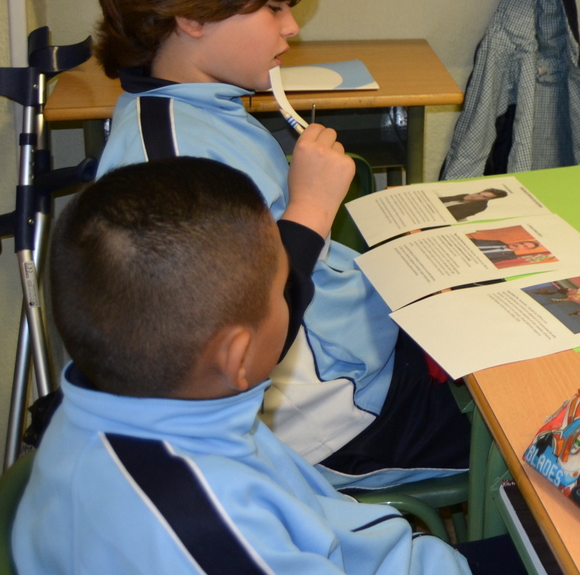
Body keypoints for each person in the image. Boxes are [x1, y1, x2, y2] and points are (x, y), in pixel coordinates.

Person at [92, 0, 469, 488]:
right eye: (272, 8)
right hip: (339, 424)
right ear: (192, 16)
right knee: (520, 428)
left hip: (361, 353)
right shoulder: (167, 166)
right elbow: (231, 349)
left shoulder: (198, 106)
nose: (291, 28)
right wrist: (312, 207)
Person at [13, 158, 522, 575]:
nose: (295, 298)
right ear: (238, 357)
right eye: (284, 290)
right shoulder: (210, 528)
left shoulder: (134, 407)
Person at [440, 186, 509, 221]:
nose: (474, 196)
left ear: (487, 200)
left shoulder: (480, 207)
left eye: (483, 197)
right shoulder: (465, 195)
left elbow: (451, 216)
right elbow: (443, 199)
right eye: (478, 193)